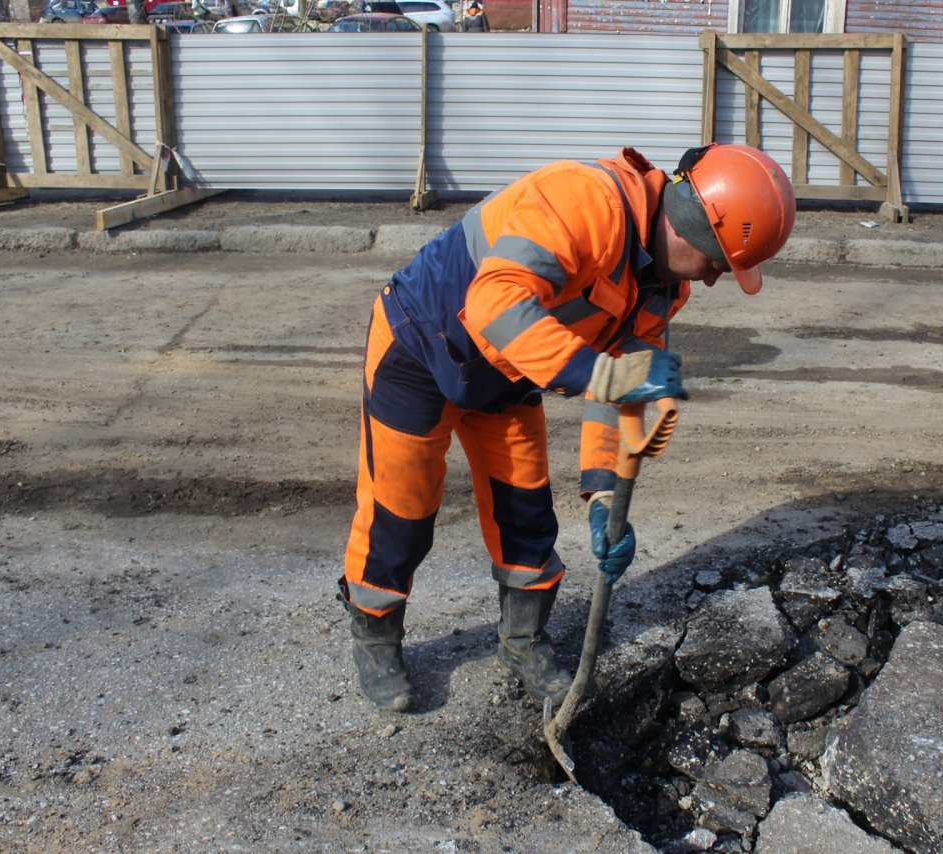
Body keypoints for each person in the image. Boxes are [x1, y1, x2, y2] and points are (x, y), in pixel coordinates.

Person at [338, 143, 796, 712]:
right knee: (400, 513)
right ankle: (375, 635)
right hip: (420, 348)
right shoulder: (583, 203)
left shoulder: (662, 286)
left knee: (525, 513)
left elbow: (621, 387)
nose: (709, 281)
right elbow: (496, 307)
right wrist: (603, 373)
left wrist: (604, 491)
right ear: (692, 227)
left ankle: (523, 641)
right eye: (716, 264)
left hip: (506, 378)